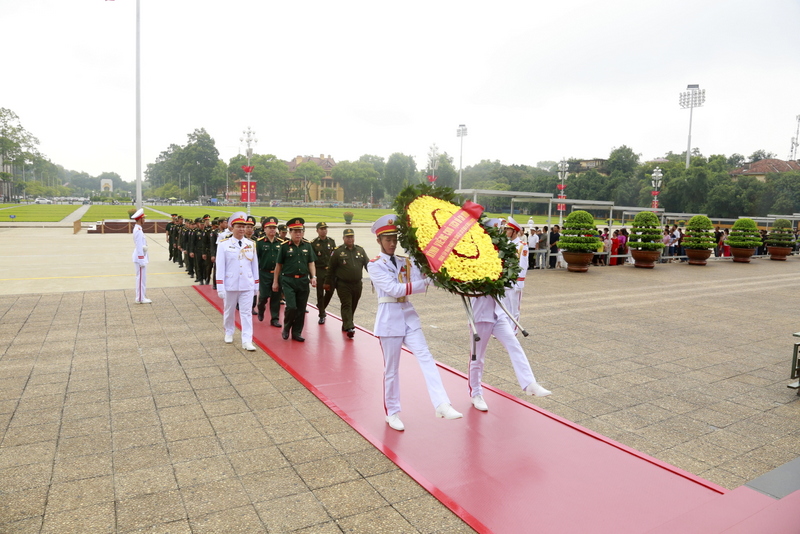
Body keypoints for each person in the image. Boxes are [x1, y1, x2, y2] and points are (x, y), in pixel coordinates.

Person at [367, 214, 462, 432]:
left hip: (408, 316)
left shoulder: (404, 261)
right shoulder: (374, 265)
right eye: (387, 239)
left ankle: (441, 403)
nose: (392, 243)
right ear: (379, 241)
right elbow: (394, 289)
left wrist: (443, 271)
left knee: (426, 358)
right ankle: (392, 413)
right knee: (391, 370)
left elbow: (426, 277)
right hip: (389, 319)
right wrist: (422, 284)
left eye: (394, 239)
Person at [468, 293, 551, 411]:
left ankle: (529, 383)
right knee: (477, 357)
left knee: (514, 345)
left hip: (498, 314)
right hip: (480, 316)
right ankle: (475, 393)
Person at [215, 212, 258, 351]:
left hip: (247, 284)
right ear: (232, 228)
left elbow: (254, 266)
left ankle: (247, 340)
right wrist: (220, 286)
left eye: (243, 227)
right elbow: (220, 267)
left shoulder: (250, 244)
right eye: (238, 226)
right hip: (230, 284)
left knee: (246, 313)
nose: (241, 229)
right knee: (229, 311)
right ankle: (229, 331)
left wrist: (256, 285)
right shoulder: (224, 244)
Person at [273, 218, 317, 342]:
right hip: (288, 280)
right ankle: (287, 327)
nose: (298, 233)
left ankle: (297, 332)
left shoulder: (307, 246)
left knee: (301, 308)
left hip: (303, 281)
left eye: (300, 231)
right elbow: (278, 266)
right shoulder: (284, 246)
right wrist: (275, 282)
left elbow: (311, 263)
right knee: (291, 307)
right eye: (295, 231)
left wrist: (313, 277)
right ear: (290, 232)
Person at [326, 228, 369, 338]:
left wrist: (375, 278)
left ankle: (346, 323)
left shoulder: (360, 250)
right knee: (347, 304)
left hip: (357, 284)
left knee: (353, 304)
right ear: (343, 238)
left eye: (352, 237)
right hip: (343, 284)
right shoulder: (338, 251)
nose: (350, 239)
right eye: (348, 237)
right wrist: (327, 283)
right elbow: (331, 268)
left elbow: (368, 265)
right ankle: (350, 326)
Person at [255, 216, 285, 327]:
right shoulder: (259, 243)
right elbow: (255, 259)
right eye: (270, 227)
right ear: (264, 229)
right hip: (264, 273)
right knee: (263, 296)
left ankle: (275, 319)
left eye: (274, 227)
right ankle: (261, 308)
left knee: (276, 297)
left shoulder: (281, 243)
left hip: (277, 274)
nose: (272, 230)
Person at [503, 217, 529, 325]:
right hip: (505, 281)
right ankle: (505, 331)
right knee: (504, 308)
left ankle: (513, 331)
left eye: (508, 229)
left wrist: (519, 282)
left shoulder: (522, 246)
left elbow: (523, 265)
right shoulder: (506, 244)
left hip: (515, 282)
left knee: (514, 310)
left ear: (514, 231)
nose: (506, 231)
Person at [311, 221, 337, 324]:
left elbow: (334, 256)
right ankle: (322, 314)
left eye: (325, 228)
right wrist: (312, 275)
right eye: (321, 229)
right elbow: (311, 260)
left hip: (330, 271)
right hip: (319, 270)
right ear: (317, 230)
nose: (324, 231)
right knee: (320, 293)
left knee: (330, 291)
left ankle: (321, 306)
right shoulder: (313, 243)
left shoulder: (331, 241)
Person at [131, 208, 151, 304]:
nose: (144, 220)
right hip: (140, 257)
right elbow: (139, 246)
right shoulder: (138, 230)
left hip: (141, 256)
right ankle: (140, 298)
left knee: (142, 279)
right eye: (143, 218)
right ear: (140, 219)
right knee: (140, 279)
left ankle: (141, 297)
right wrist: (141, 260)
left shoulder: (138, 229)